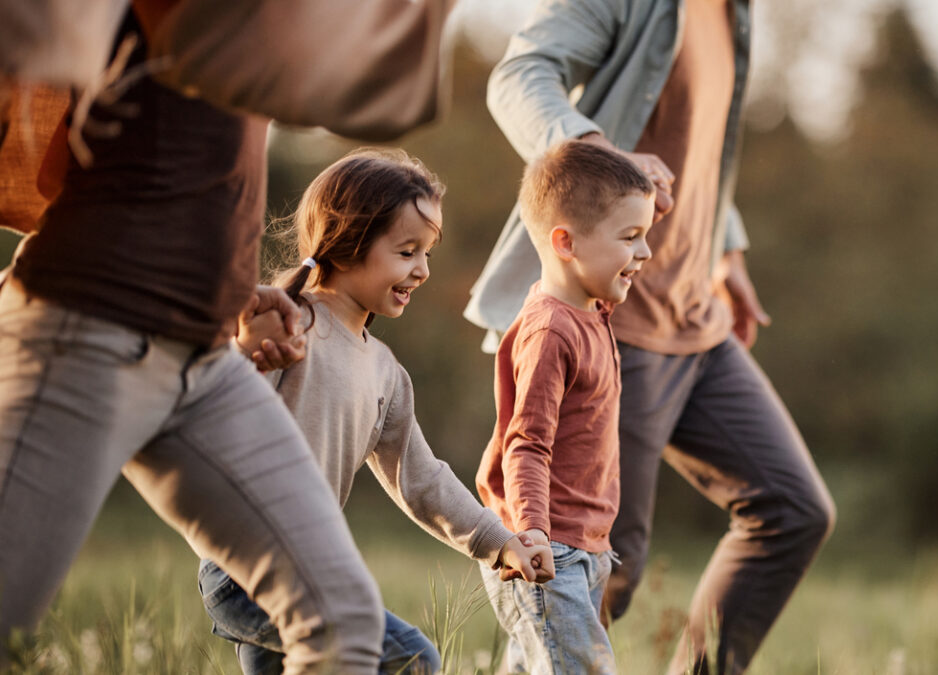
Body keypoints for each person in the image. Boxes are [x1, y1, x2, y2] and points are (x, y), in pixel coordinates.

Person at [0, 11, 383, 673]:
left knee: (341, 620)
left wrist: (229, 288)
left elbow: (183, 167)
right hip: (84, 332)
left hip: (202, 359)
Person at [464, 1, 837, 672]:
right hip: (613, 329)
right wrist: (596, 151)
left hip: (698, 318)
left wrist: (727, 253)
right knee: (600, 568)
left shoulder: (734, 15)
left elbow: (697, 152)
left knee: (792, 508)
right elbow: (519, 72)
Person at [196, 149, 556, 675]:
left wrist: (498, 543)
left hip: (305, 566)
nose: (423, 270)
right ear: (349, 243)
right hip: (246, 566)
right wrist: (244, 350)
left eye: (427, 253)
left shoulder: (386, 373)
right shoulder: (289, 326)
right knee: (410, 659)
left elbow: (421, 479)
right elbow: (214, 410)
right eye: (408, 251)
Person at [475, 140, 655, 674]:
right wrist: (532, 532)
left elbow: (610, 228)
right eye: (631, 238)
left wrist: (637, 209)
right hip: (548, 550)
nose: (645, 253)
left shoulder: (593, 309)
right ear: (565, 243)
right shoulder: (551, 330)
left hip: (585, 547)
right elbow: (525, 442)